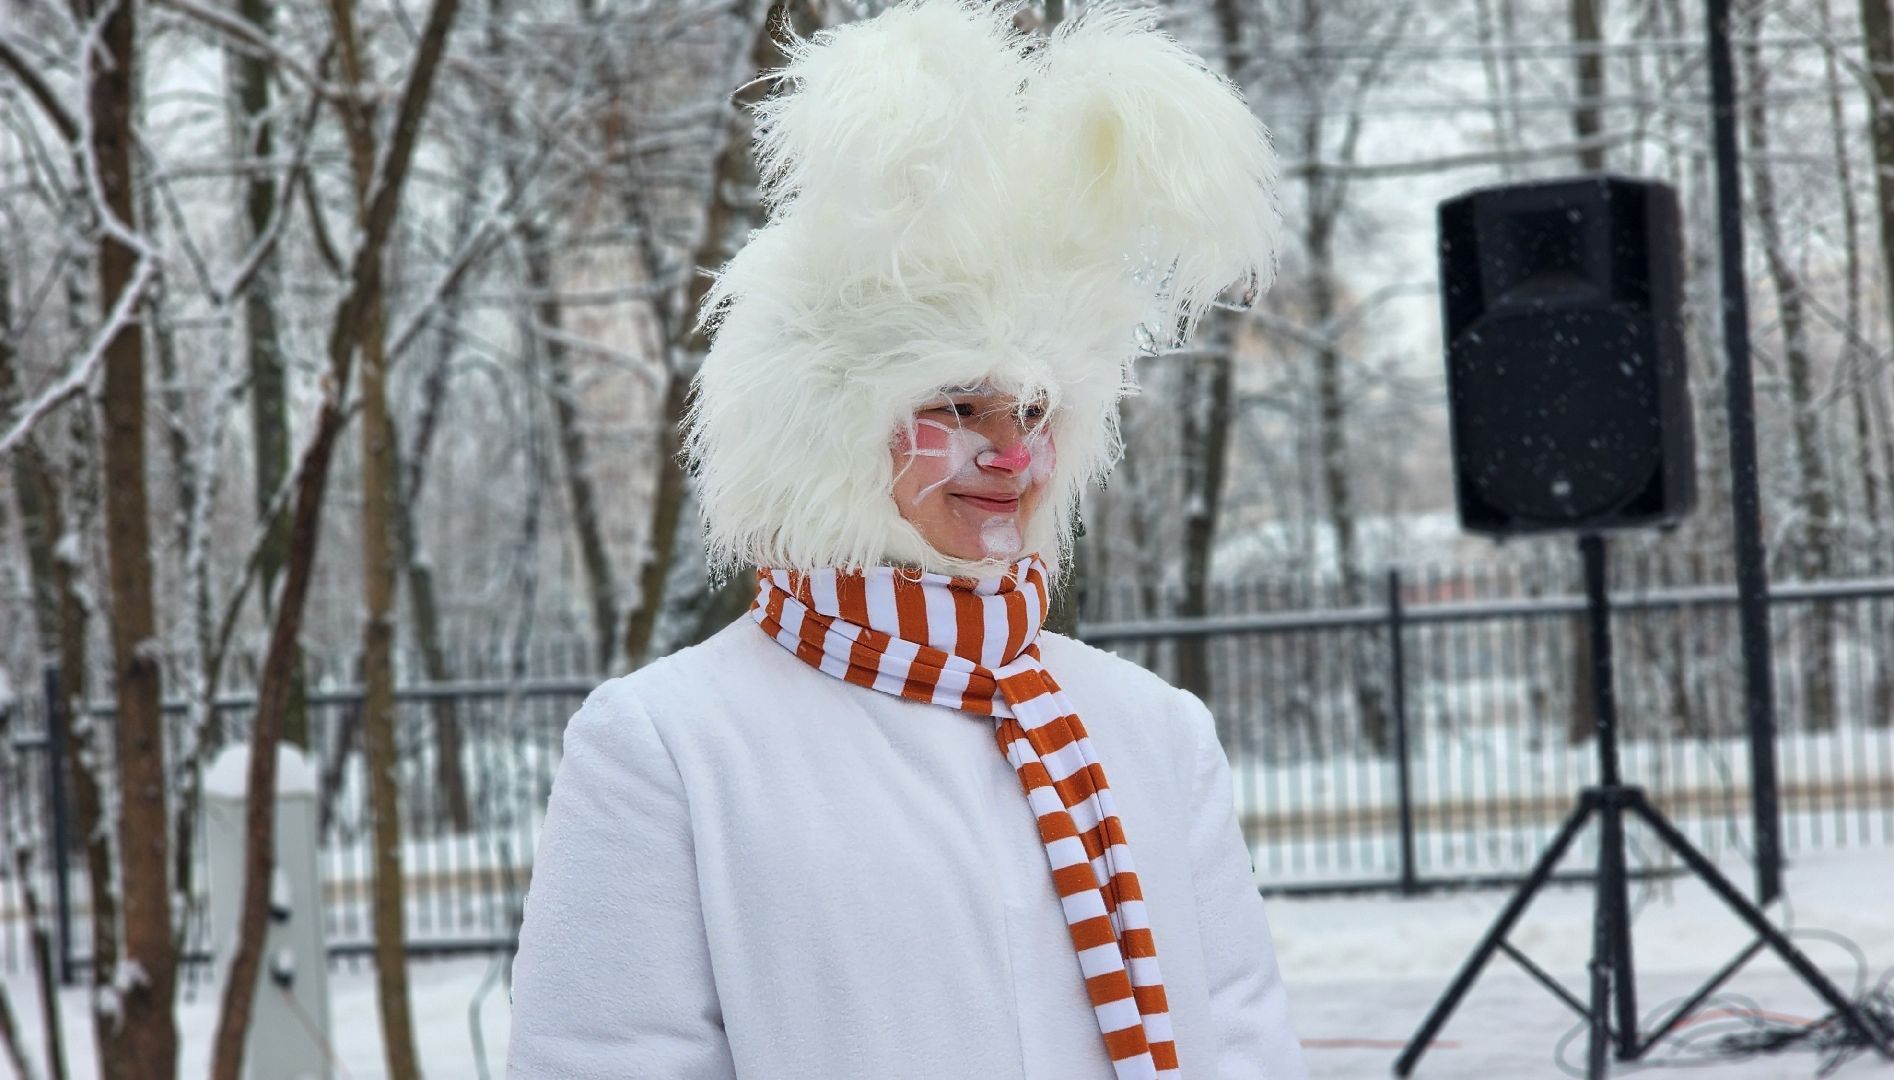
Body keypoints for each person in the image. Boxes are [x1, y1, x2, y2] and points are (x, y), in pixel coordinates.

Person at [505, 1, 1305, 1076]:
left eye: (1031, 415)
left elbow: (1241, 1036)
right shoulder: (670, 746)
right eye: (960, 408)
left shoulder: (1150, 728)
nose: (1009, 457)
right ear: (829, 428)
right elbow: (604, 1059)